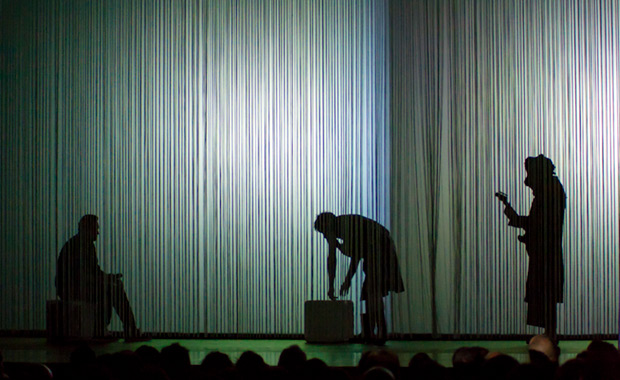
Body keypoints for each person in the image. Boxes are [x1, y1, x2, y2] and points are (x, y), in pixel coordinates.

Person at [497, 155, 566, 342]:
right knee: (545, 294)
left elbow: (537, 224)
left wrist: (510, 212)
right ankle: (549, 334)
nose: (528, 181)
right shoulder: (551, 191)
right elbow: (536, 224)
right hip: (544, 253)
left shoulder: (549, 193)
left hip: (546, 255)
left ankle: (550, 335)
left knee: (546, 293)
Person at [314, 213, 405, 344]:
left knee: (373, 290)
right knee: (372, 291)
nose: (325, 236)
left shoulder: (346, 226)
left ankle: (377, 332)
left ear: (327, 226)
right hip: (380, 248)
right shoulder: (341, 225)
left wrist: (346, 280)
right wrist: (332, 285)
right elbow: (336, 257)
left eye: (324, 232)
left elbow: (355, 254)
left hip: (381, 249)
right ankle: (373, 332)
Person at [56, 214, 144, 340]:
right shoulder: (78, 246)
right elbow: (83, 275)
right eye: (96, 229)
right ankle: (124, 329)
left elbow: (93, 272)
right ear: (88, 229)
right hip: (72, 288)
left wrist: (108, 277)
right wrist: (106, 280)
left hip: (79, 285)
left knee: (113, 287)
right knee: (112, 289)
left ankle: (114, 329)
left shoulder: (85, 245)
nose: (98, 233)